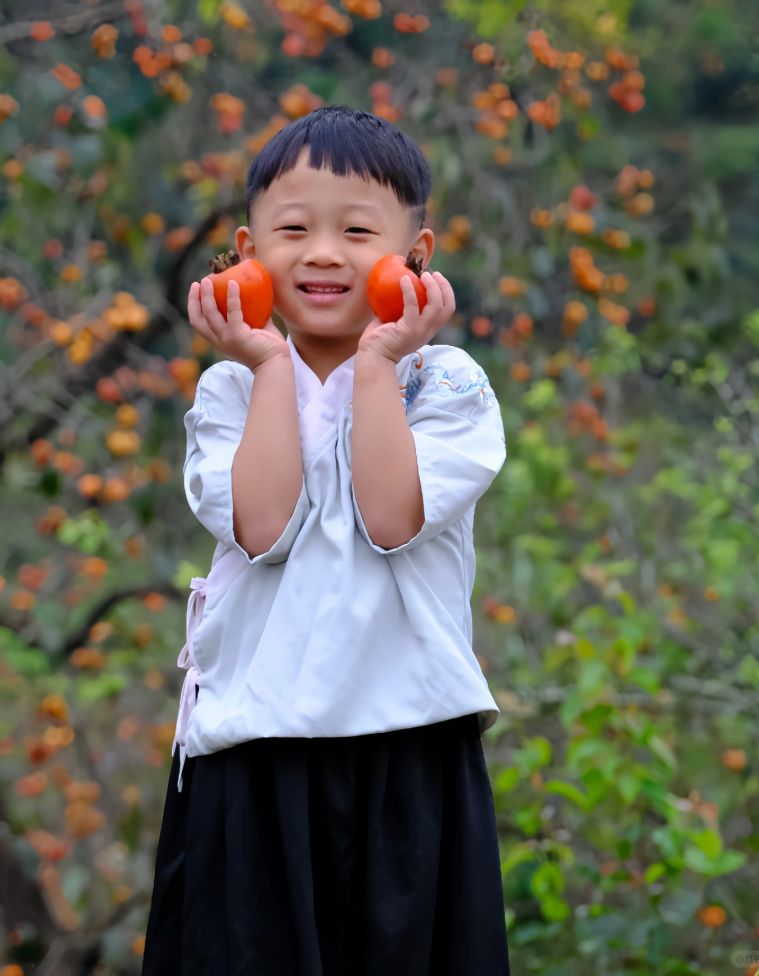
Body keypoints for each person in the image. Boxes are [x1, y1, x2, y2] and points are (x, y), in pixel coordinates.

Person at [141, 105, 511, 975]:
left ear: (415, 255)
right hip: (255, 758)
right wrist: (270, 364)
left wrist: (378, 363)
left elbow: (392, 520)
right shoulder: (232, 389)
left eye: (356, 230)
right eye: (293, 229)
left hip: (407, 750)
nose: (321, 253)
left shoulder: (444, 384)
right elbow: (261, 528)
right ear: (246, 249)